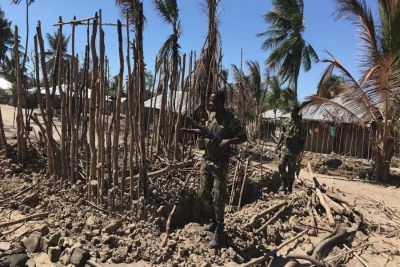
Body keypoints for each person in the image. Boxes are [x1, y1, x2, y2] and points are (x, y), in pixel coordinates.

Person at [180, 90, 247, 248]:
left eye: (212, 101)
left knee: (218, 197)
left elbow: (243, 137)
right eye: (209, 101)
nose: (209, 104)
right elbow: (204, 132)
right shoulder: (211, 116)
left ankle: (220, 229)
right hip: (207, 160)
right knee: (203, 192)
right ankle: (211, 218)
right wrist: (189, 130)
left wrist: (229, 141)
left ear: (221, 102)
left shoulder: (231, 119)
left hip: (220, 163)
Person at [275, 106, 306, 194]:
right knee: (281, 165)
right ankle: (284, 181)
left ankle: (290, 186)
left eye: (293, 112)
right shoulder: (286, 122)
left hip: (294, 150)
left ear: (297, 112)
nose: (292, 113)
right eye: (291, 112)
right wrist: (277, 146)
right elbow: (282, 134)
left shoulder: (300, 125)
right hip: (285, 148)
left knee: (291, 170)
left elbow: (302, 140)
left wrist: (301, 153)